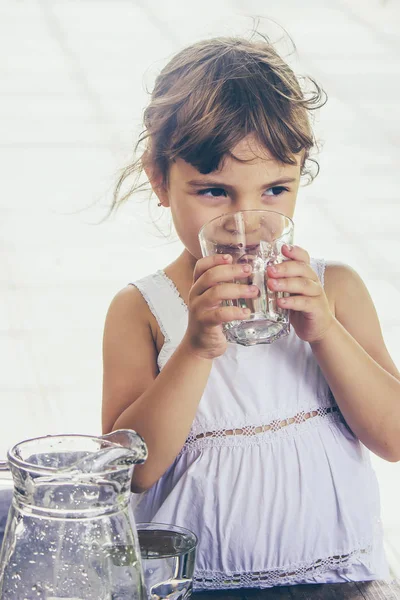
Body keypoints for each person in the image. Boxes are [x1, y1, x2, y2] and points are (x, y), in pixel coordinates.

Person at [102, 35, 400, 590]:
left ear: (301, 173)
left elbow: (393, 435)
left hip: (334, 578)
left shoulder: (337, 290)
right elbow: (131, 473)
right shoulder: (141, 311)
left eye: (275, 190)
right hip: (197, 584)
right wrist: (194, 348)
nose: (247, 221)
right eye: (214, 191)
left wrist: (326, 332)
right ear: (160, 180)